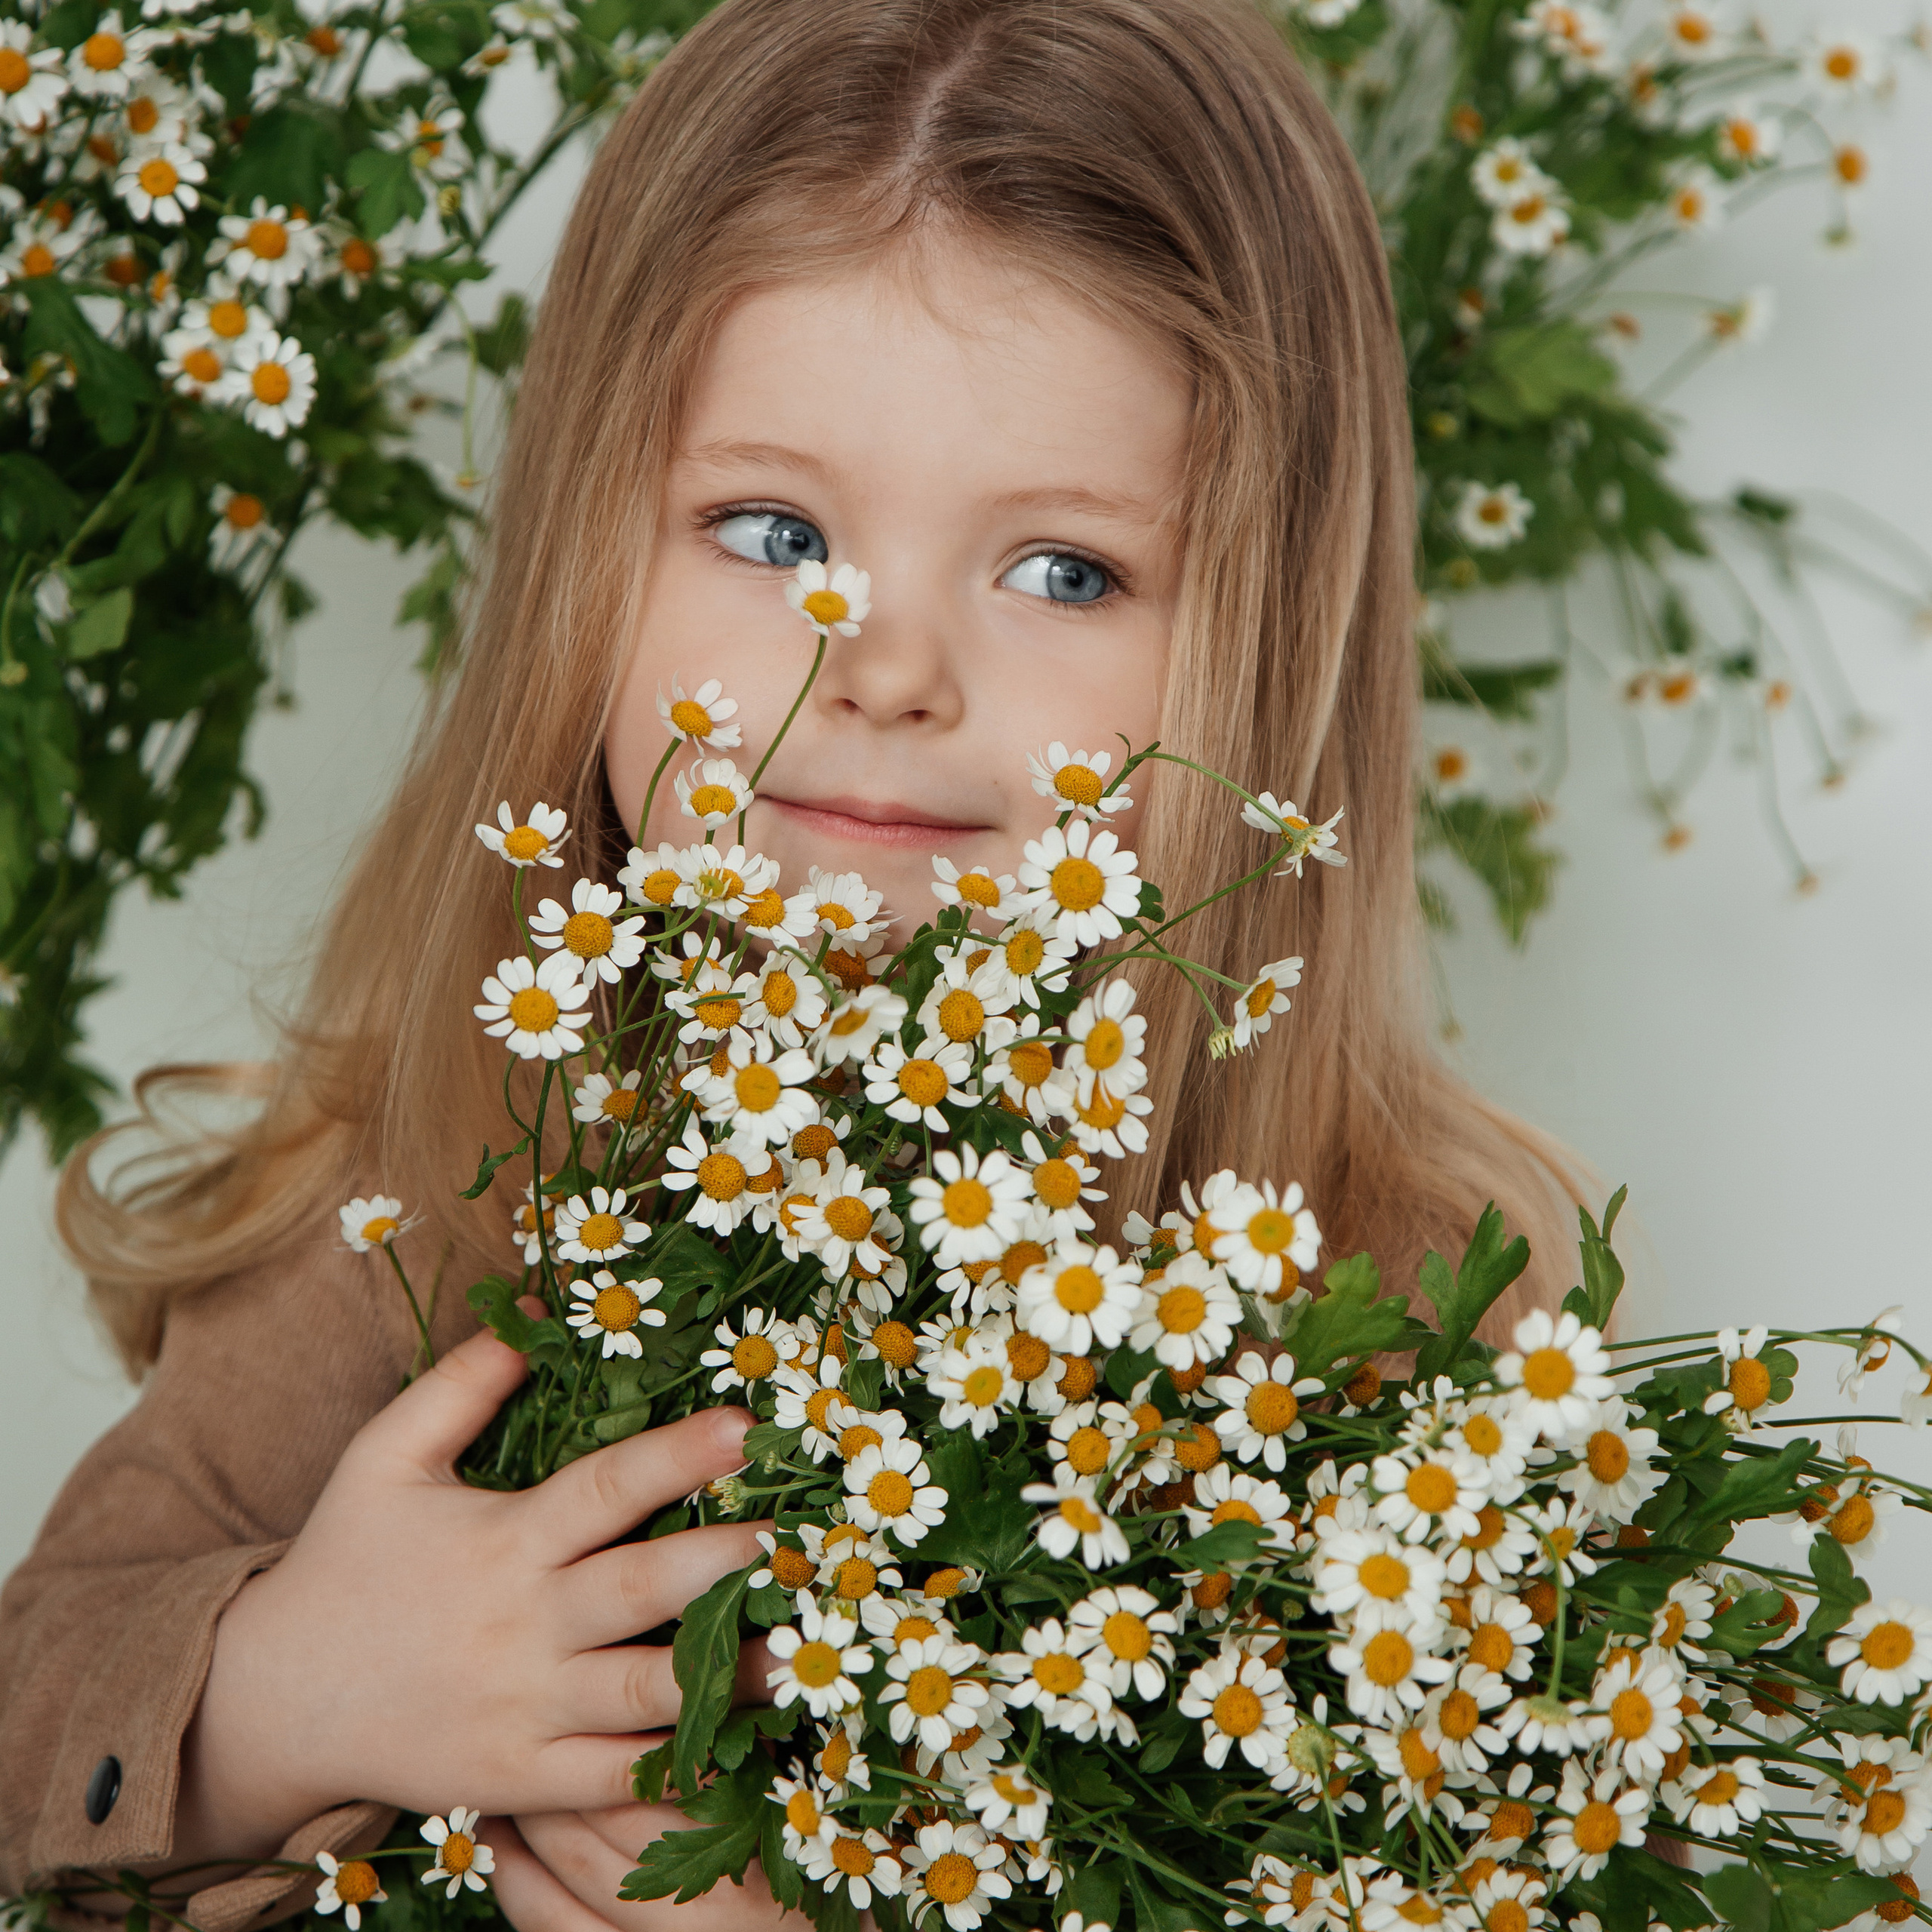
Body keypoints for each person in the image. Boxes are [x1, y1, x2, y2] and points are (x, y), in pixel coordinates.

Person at [0, 0, 1589, 1923]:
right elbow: (41, 1685)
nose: (887, 667)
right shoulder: (437, 1168)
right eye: (772, 532)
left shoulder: (1415, 1316)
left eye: (1062, 570)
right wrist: (279, 1693)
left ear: (1259, 657)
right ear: (585, 571)